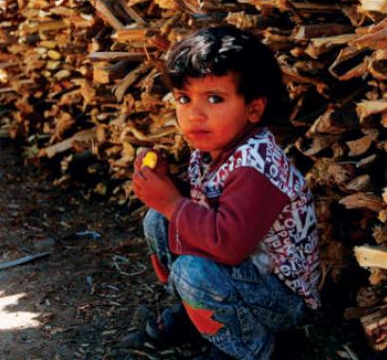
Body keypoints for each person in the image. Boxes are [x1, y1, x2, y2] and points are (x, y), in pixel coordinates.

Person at [132, 26, 321, 359]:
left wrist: (172, 201)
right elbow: (205, 204)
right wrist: (166, 185)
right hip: (239, 275)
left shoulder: (257, 166)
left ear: (254, 109)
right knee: (157, 221)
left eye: (214, 99)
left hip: (278, 297)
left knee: (193, 269)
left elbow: (229, 244)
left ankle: (253, 347)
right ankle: (194, 312)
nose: (195, 113)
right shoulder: (215, 147)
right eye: (183, 99)